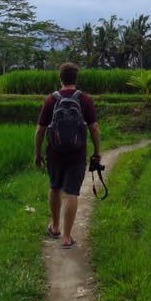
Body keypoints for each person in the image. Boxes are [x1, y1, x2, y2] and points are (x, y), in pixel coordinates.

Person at [34, 62, 102, 248]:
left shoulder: (51, 99)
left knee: (55, 187)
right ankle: (66, 237)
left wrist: (38, 153)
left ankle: (55, 227)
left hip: (54, 152)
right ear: (75, 78)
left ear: (60, 78)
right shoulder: (85, 99)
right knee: (72, 192)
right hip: (77, 153)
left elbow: (40, 130)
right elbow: (94, 128)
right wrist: (97, 152)